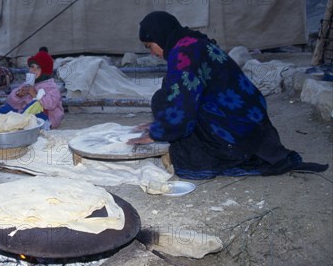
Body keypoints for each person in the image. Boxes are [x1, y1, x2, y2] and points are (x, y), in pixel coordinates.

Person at [130, 11, 328, 179]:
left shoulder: (183, 53)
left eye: (149, 46)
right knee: (164, 95)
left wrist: (157, 132)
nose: (152, 52)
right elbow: (181, 94)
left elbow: (184, 106)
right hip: (251, 123)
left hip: (236, 130)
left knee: (185, 159)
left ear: (160, 36)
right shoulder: (195, 42)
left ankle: (231, 157)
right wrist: (160, 122)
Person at [0, 48, 65, 129]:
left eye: (38, 68)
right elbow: (10, 101)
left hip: (46, 115)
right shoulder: (27, 83)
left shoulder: (51, 86)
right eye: (32, 67)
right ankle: (14, 122)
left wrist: (34, 94)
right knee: (3, 110)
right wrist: (18, 94)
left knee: (35, 118)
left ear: (45, 71)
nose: (34, 70)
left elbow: (50, 104)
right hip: (24, 112)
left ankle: (22, 123)